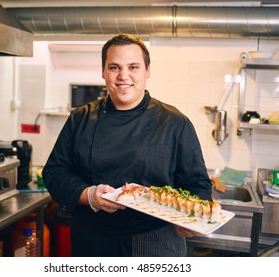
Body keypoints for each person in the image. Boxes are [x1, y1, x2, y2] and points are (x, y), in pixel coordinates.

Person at [42, 33, 213, 257]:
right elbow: (55, 172)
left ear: (147, 70)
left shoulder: (174, 122)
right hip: (93, 239)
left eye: (133, 67)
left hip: (155, 239)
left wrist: (192, 220)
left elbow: (197, 183)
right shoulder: (80, 118)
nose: (124, 76)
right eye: (114, 67)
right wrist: (90, 195)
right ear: (103, 71)